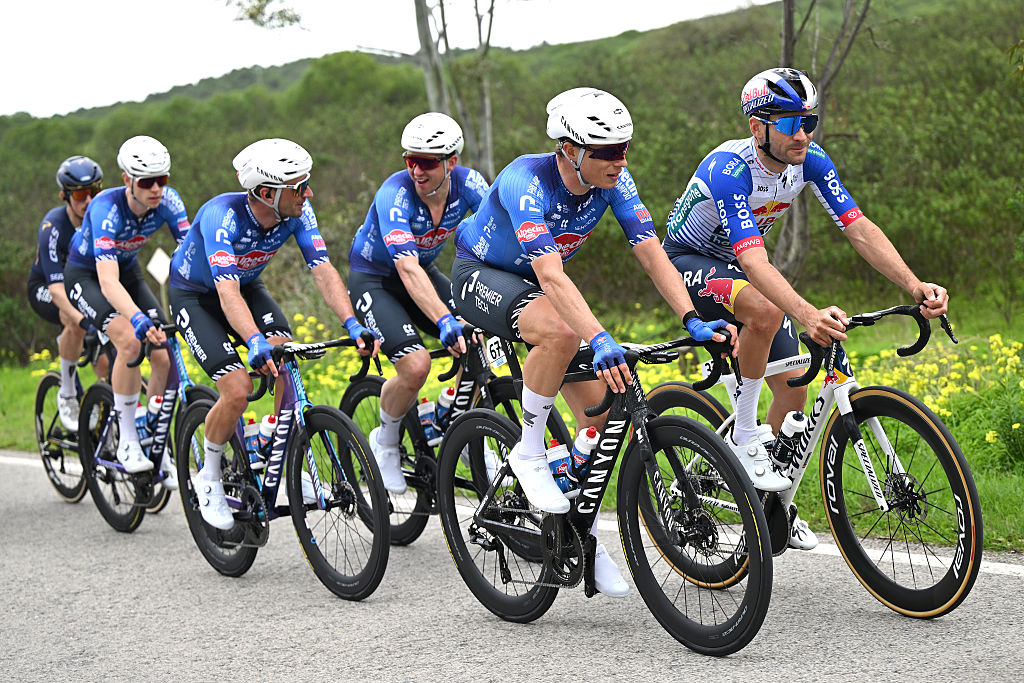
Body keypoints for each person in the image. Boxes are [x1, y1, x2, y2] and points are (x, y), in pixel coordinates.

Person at [449, 87, 735, 597]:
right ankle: (529, 453)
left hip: (537, 285)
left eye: (624, 149)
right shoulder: (525, 180)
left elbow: (652, 253)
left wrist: (692, 317)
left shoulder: (615, 183)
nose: (617, 161)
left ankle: (574, 529)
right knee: (561, 335)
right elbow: (553, 278)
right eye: (604, 152)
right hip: (481, 274)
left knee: (601, 414)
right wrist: (599, 336)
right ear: (569, 150)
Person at [662, 68, 949, 550]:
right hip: (688, 264)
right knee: (767, 311)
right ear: (759, 128)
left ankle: (767, 505)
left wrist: (914, 283)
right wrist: (805, 313)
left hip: (741, 266)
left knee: (795, 389)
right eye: (791, 122)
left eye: (809, 121)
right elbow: (753, 260)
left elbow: (858, 227)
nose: (803, 133)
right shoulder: (729, 169)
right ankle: (745, 435)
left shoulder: (809, 159)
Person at [169, 138, 378, 530]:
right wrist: (251, 340)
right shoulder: (221, 217)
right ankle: (209, 476)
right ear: (267, 193)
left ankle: (279, 451)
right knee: (236, 389)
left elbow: (322, 269)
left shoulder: (298, 211)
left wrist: (351, 322)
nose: (309, 193)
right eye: (299, 187)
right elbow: (225, 292)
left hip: (245, 287)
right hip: (196, 297)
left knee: (285, 353)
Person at [347, 113, 492, 494]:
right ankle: (386, 440)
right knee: (415, 365)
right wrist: (444, 319)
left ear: (451, 162)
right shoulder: (394, 193)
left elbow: (502, 228)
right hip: (377, 279)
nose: (417, 170)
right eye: (410, 160)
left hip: (422, 274)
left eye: (426, 162)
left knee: (477, 338)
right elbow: (407, 269)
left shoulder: (469, 183)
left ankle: (458, 424)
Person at [65, 135, 190, 487]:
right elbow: (106, 282)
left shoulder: (169, 201)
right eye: (147, 182)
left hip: (128, 270)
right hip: (88, 275)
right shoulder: (105, 208)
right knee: (131, 341)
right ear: (126, 181)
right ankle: (129, 438)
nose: (156, 190)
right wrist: (136, 318)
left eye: (162, 180)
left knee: (164, 352)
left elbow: (190, 256)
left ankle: (154, 436)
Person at [27, 156, 110, 429]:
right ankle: (67, 392)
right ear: (65, 196)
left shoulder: (103, 218)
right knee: (72, 319)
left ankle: (106, 408)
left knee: (109, 354)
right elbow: (57, 290)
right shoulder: (53, 226)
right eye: (80, 195)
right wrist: (83, 320)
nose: (88, 201)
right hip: (48, 288)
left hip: (83, 287)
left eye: (94, 192)